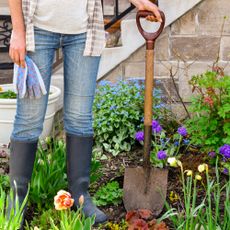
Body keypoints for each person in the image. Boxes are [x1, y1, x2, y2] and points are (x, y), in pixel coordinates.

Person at [8, 0, 162, 227]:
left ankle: (79, 197)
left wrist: (137, 1)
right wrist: (18, 31)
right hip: (35, 30)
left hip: (84, 31)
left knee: (80, 118)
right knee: (29, 120)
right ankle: (16, 201)